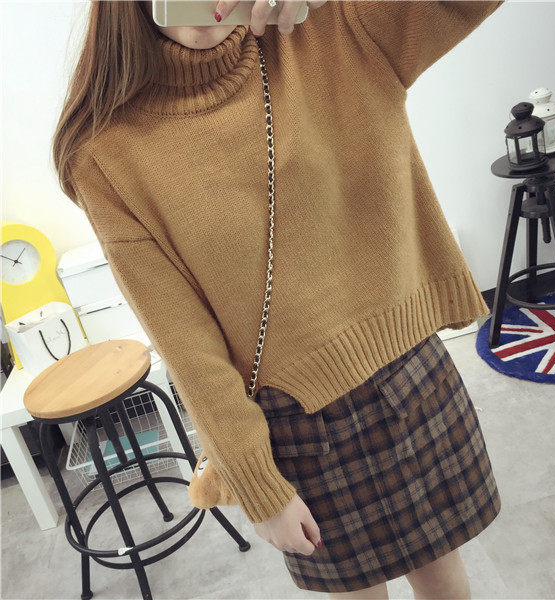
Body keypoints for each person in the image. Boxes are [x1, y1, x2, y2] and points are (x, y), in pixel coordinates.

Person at [53, 1, 505, 598]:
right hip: (296, 422)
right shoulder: (104, 154)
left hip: (409, 374)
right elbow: (186, 344)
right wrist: (255, 481)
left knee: (444, 580)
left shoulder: (336, 29)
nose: (207, 9)